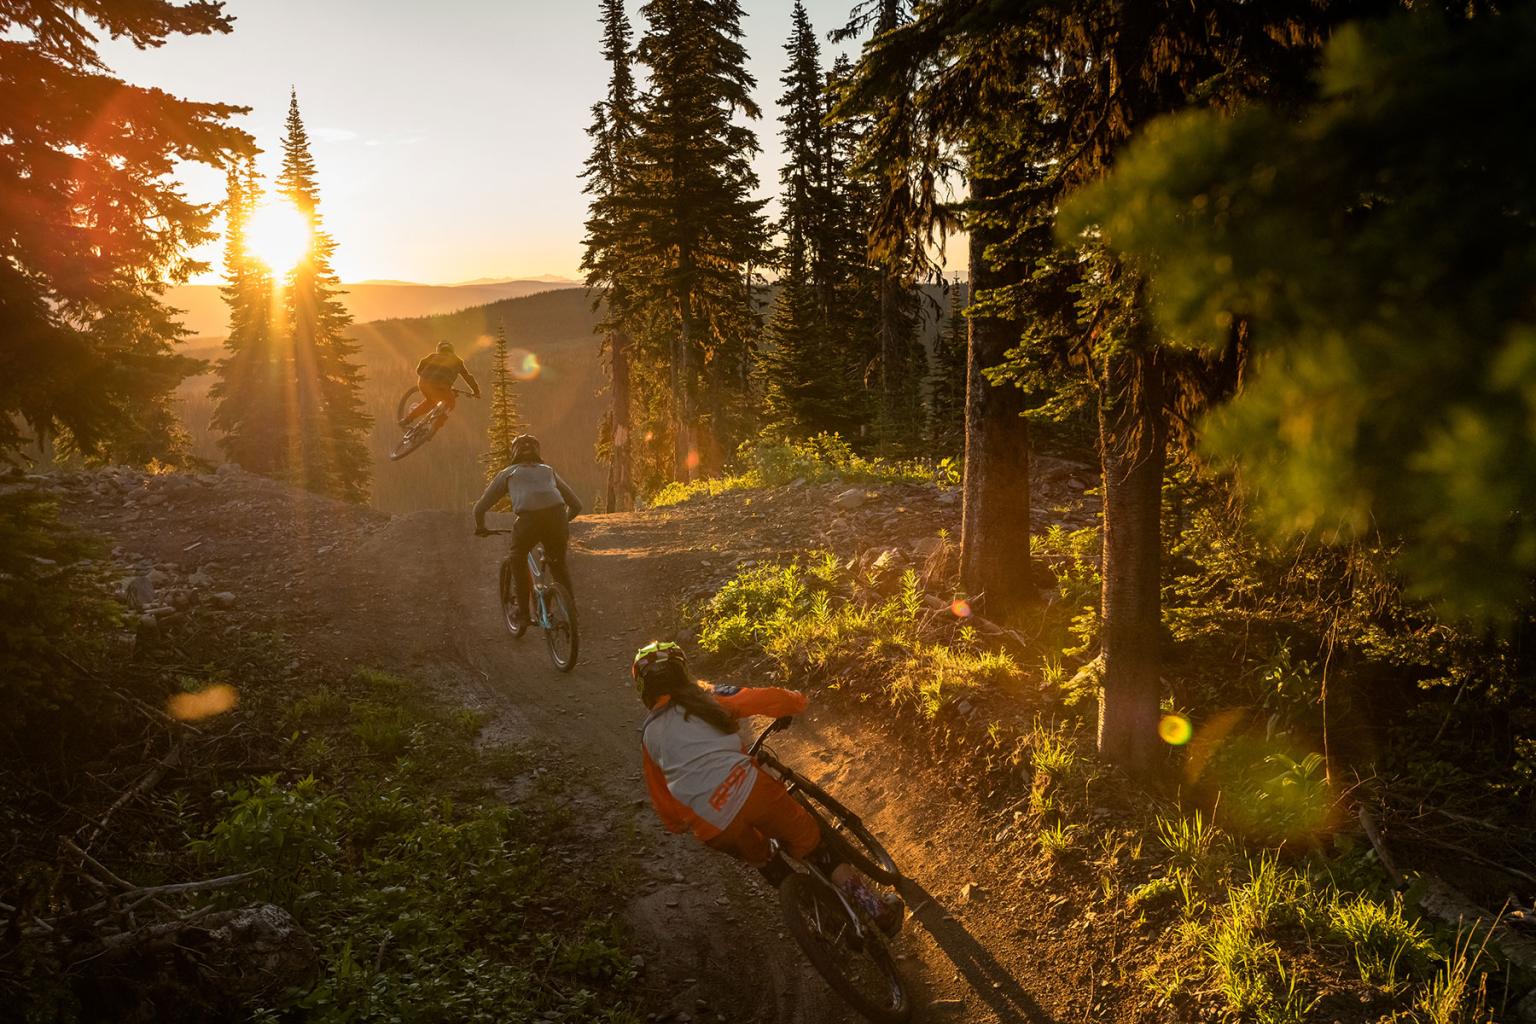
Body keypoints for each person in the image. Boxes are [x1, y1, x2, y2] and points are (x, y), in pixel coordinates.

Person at [632, 641, 902, 933]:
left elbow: (666, 807)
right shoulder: (705, 697)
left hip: (712, 827)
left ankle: (824, 920)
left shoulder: (649, 736)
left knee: (766, 861)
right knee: (816, 848)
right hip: (751, 791)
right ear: (681, 670)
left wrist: (682, 822)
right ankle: (878, 910)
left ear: (643, 688)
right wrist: (796, 701)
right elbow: (759, 698)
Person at [473, 433, 582, 632]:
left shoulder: (509, 472)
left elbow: (479, 508)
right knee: (558, 566)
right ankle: (571, 612)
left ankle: (523, 614)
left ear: (514, 453)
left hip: (528, 522)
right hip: (557, 518)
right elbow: (576, 505)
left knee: (517, 557)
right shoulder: (548, 471)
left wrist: (481, 526)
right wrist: (561, 523)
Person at [401, 340, 480, 429]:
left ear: (439, 350)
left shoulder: (433, 356)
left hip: (423, 383)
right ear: (452, 350)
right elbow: (468, 377)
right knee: (451, 403)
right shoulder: (457, 361)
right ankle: (436, 426)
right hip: (441, 386)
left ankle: (407, 420)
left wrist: (424, 376)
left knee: (430, 401)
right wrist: (476, 391)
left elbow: (419, 368)